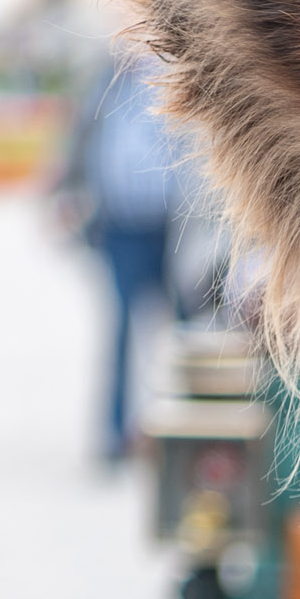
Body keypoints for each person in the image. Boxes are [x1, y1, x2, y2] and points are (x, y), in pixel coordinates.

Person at [57, 32, 190, 460]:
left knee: (183, 332)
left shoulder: (174, 76)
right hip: (120, 227)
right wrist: (64, 193)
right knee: (119, 331)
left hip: (172, 230)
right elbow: (77, 141)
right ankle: (114, 434)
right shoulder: (103, 82)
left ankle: (184, 432)